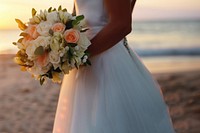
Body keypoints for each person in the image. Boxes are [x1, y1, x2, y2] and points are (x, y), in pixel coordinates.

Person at [53, 0, 176, 133]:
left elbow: (122, 24)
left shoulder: (85, 55)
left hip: (105, 61)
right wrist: (58, 45)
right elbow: (77, 16)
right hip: (85, 61)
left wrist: (81, 54)